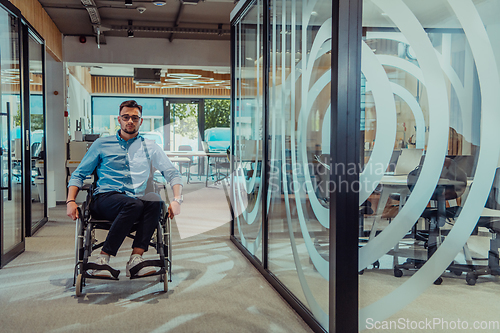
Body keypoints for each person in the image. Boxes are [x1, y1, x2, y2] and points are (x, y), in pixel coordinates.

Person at [66, 100, 183, 278]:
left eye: (135, 118)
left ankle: (136, 259)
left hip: (134, 201)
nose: (130, 121)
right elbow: (79, 174)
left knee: (155, 200)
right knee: (134, 205)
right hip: (105, 199)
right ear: (119, 120)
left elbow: (172, 173)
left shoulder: (150, 147)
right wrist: (70, 201)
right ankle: (102, 259)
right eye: (126, 117)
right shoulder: (101, 144)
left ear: (140, 121)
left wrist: (176, 200)